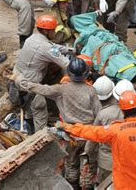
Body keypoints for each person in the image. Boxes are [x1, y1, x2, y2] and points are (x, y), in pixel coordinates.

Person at [16, 58, 101, 189]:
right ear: (86, 74)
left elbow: (41, 88)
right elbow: (98, 114)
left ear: (69, 74)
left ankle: (72, 186)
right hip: (88, 135)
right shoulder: (91, 91)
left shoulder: (61, 89)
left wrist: (21, 81)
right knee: (88, 166)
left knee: (71, 164)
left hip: (70, 135)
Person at [59, 90, 136, 189]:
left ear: (123, 112)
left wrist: (68, 127)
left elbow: (91, 131)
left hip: (124, 185)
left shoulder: (115, 130)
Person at [9, 15, 71, 133]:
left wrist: (70, 50)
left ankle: (30, 128)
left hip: (17, 80)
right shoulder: (45, 47)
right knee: (40, 111)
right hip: (29, 87)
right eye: (53, 30)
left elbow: (54, 47)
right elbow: (66, 64)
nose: (55, 32)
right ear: (46, 31)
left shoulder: (32, 38)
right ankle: (39, 138)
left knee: (29, 110)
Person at [85, 77, 135, 183]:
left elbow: (92, 141)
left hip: (107, 163)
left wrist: (92, 158)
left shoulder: (104, 113)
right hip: (130, 162)